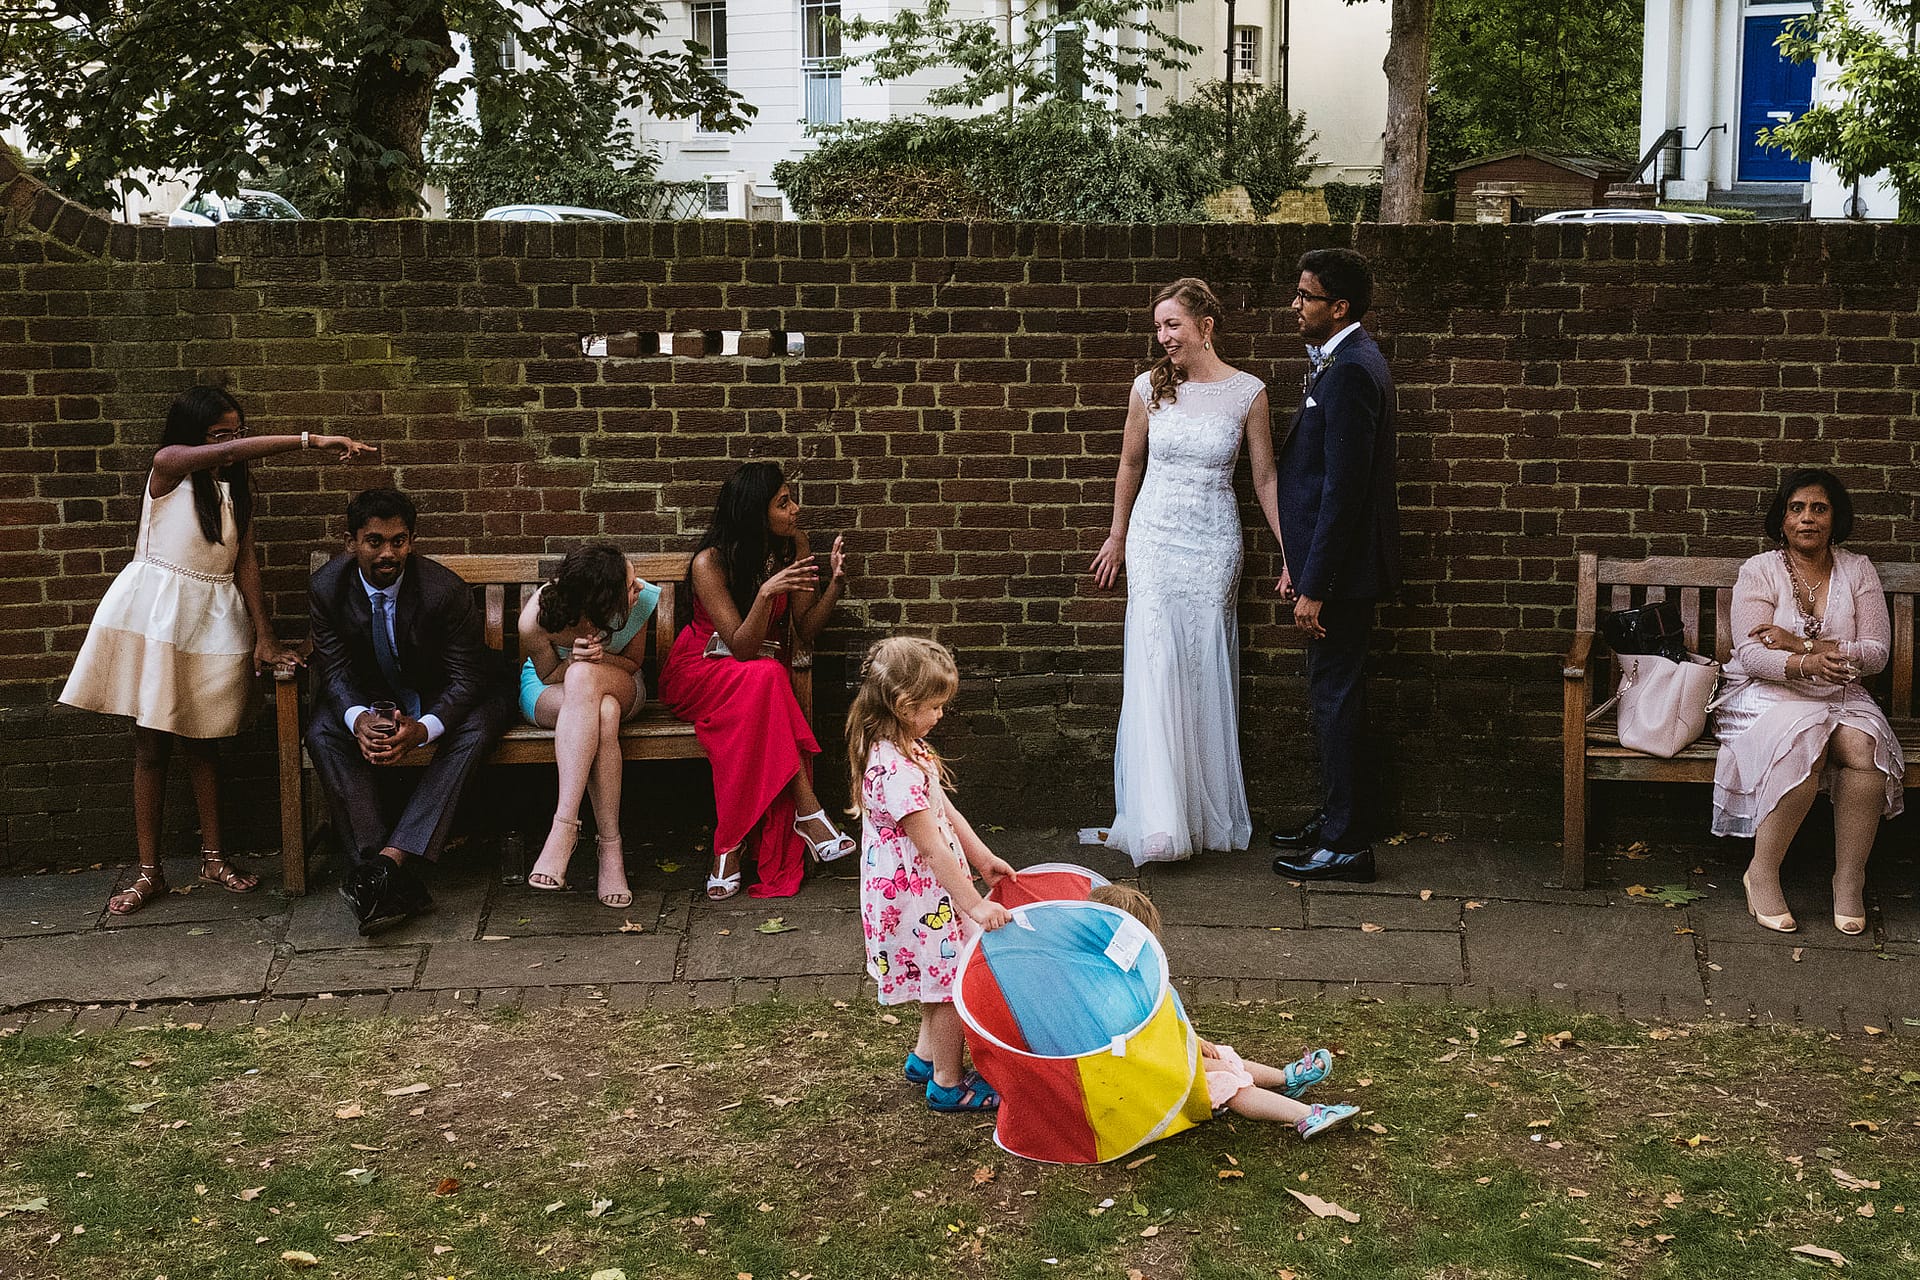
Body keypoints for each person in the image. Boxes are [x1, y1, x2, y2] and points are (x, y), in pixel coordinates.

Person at [60, 386, 377, 915]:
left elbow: (245, 563)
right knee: (150, 745)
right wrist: (311, 440)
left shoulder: (234, 487)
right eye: (219, 433)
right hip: (158, 616)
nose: (231, 442)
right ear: (193, 436)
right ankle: (148, 871)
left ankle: (213, 857)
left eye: (236, 430)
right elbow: (226, 455)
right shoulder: (168, 466)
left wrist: (264, 634)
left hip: (212, 619)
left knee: (204, 740)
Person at [1090, 278, 1283, 865]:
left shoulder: (1248, 393)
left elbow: (1266, 479)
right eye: (1158, 327)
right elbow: (1129, 461)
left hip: (1211, 544)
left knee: (1200, 667)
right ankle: (1157, 819)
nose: (1163, 337)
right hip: (1154, 541)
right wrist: (1118, 534)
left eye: (1173, 325)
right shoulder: (1148, 388)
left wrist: (1291, 553)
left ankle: (1200, 814)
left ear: (1206, 325)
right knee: (1156, 666)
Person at [305, 488, 517, 934]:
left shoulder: (443, 590)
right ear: (351, 542)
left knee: (476, 730)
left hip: (461, 697)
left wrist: (422, 729)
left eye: (399, 541)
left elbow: (467, 679)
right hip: (378, 700)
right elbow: (335, 671)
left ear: (412, 541)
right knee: (323, 728)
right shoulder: (327, 588)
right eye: (375, 541)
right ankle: (385, 871)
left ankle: (384, 864)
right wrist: (359, 718)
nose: (388, 553)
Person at [1713, 469, 1903, 936]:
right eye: (1796, 509)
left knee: (1866, 750)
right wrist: (1807, 664)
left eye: (1819, 508)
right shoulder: (1759, 570)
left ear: (1835, 518)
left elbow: (1876, 651)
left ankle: (1849, 878)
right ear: (1782, 520)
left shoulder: (1858, 569)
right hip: (1768, 692)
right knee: (1805, 743)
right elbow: (1753, 654)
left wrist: (1800, 644)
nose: (1807, 518)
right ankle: (1762, 872)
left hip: (1839, 690)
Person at [660, 461, 853, 901]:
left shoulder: (795, 545)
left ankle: (727, 847)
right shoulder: (709, 563)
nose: (795, 509)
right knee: (767, 674)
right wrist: (767, 593)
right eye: (783, 503)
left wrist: (835, 586)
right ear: (754, 513)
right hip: (701, 671)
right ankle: (809, 811)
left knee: (764, 684)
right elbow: (742, 647)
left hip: (756, 682)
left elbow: (804, 630)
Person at [1270, 248, 1399, 884]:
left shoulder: (1350, 370)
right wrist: (1298, 565)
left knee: (1337, 700)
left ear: (1338, 307)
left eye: (1305, 296)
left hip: (1343, 579)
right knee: (1331, 699)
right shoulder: (1341, 362)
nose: (1295, 305)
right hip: (1330, 570)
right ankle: (1333, 820)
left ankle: (1347, 844)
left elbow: (1343, 491)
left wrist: (1314, 585)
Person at [848, 635, 1019, 1112]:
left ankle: (925, 1056)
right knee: (948, 985)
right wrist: (976, 904)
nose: (941, 715)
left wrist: (983, 859)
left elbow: (946, 813)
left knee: (936, 973)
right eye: (936, 706)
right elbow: (932, 848)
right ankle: (947, 1082)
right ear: (905, 705)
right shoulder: (895, 770)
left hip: (925, 895)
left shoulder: (908, 749)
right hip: (921, 899)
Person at [1087, 883, 1358, 1139]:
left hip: (1163, 1058)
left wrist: (1195, 1042)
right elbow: (1138, 1044)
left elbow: (1166, 1025)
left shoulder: (1137, 976)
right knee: (1228, 1082)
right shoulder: (1106, 987)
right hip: (1143, 1077)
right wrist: (1190, 1056)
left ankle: (1286, 1079)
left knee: (1223, 1055)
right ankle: (1306, 1115)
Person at [519, 543, 661, 908]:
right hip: (548, 688)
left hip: (621, 680)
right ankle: (611, 850)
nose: (640, 588)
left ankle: (564, 827)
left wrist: (597, 660)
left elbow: (631, 664)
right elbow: (549, 674)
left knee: (586, 678)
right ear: (602, 600)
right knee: (604, 712)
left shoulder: (641, 601)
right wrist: (573, 664)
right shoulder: (536, 618)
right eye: (630, 586)